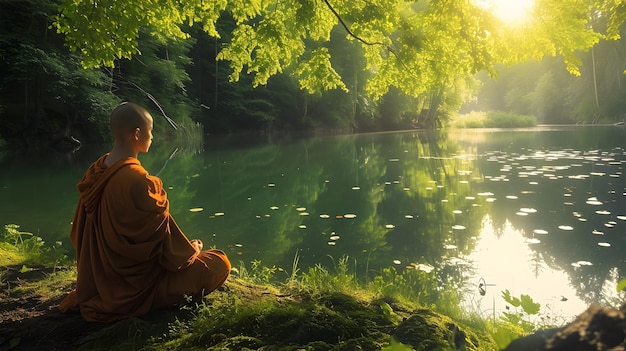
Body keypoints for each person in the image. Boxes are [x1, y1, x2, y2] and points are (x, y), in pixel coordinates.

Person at [59, 102, 230, 322]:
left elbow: (78, 235)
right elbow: (169, 254)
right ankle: (143, 303)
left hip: (99, 284)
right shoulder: (140, 182)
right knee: (219, 262)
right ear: (137, 134)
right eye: (151, 131)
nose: (153, 136)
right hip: (136, 289)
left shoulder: (95, 172)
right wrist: (193, 249)